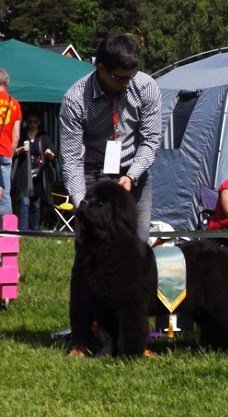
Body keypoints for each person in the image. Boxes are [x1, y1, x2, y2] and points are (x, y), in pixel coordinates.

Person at [59, 33, 162, 357]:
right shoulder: (76, 99)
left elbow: (151, 140)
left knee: (138, 258)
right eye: (119, 77)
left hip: (135, 174)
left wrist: (132, 176)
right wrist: (82, 204)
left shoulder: (146, 87)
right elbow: (71, 158)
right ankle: (80, 337)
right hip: (92, 175)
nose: (126, 83)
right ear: (100, 68)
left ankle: (134, 339)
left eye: (131, 75)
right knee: (86, 260)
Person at [12, 110, 56, 230]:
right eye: (30, 122)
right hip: (23, 174)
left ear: (39, 123)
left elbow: (53, 155)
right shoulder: (21, 135)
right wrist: (20, 150)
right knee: (24, 203)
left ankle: (34, 230)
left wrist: (49, 154)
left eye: (35, 122)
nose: (32, 124)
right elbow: (12, 153)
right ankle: (23, 230)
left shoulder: (43, 136)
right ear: (26, 122)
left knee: (36, 205)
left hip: (39, 175)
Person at [0, 69, 21, 215]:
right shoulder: (15, 104)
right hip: (6, 152)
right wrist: (10, 154)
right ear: (7, 82)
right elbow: (16, 136)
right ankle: (9, 236)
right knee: (6, 195)